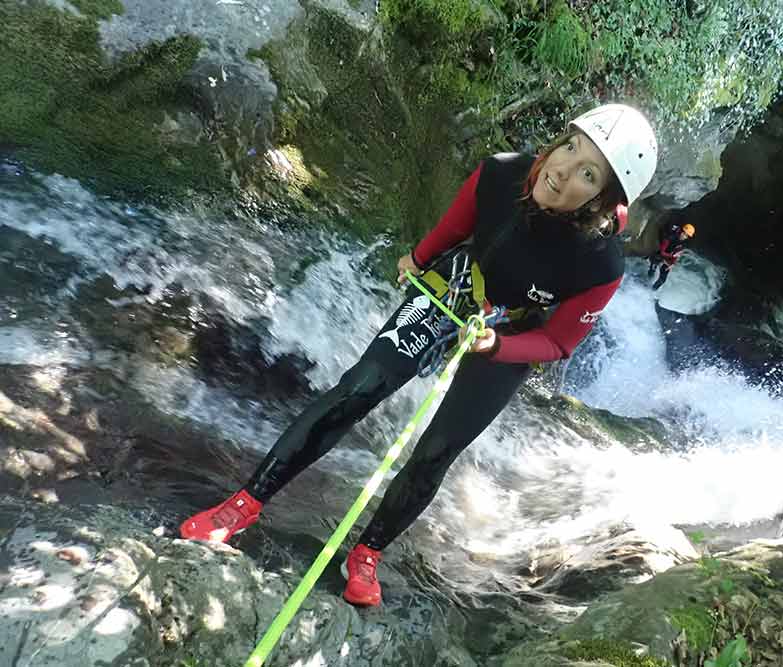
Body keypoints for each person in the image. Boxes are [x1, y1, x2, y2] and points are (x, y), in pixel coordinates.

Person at [180, 104, 659, 607]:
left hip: (511, 331)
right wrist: (421, 257)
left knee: (436, 451)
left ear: (602, 203)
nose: (563, 169)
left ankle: (366, 553)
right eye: (570, 146)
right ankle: (246, 502)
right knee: (360, 388)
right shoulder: (501, 173)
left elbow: (560, 342)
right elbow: (456, 228)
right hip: (455, 288)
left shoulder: (600, 264)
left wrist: (499, 346)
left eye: (588, 173)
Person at [647, 221, 695, 290]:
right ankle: (646, 282)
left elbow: (677, 254)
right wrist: (672, 256)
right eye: (685, 234)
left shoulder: (682, 243)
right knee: (652, 271)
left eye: (687, 236)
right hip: (660, 253)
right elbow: (662, 252)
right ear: (682, 231)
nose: (685, 237)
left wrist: (672, 264)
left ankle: (652, 291)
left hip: (668, 255)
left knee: (662, 280)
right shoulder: (670, 238)